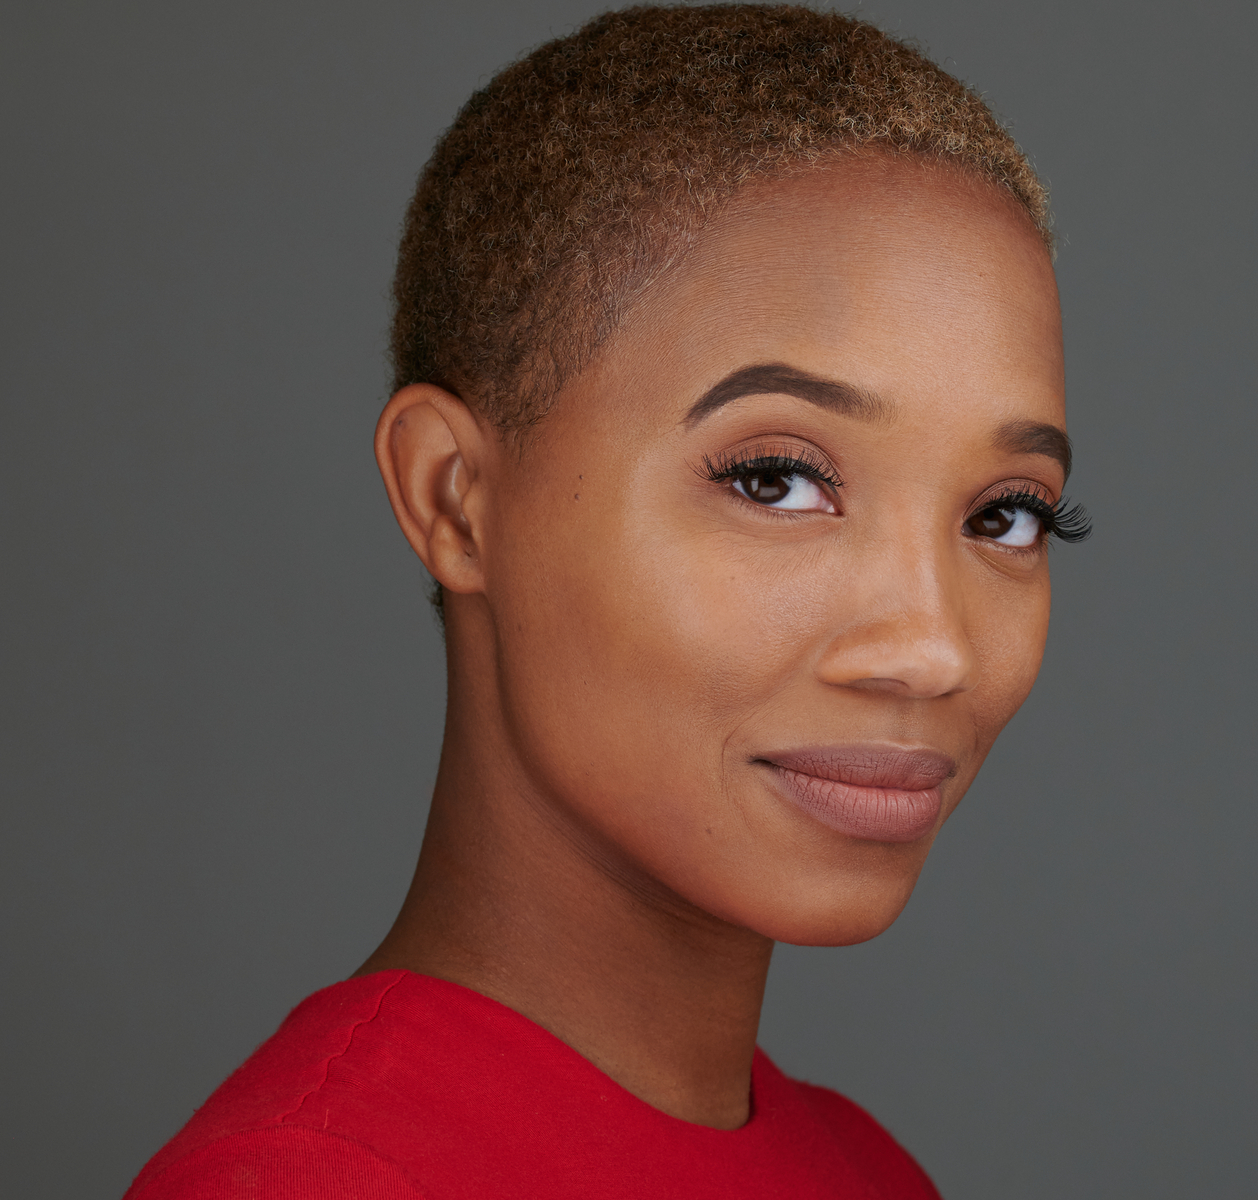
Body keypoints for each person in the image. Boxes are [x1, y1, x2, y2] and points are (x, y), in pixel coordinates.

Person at [125, 4, 1089, 1196]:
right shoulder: (314, 1181)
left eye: (1005, 515)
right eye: (776, 480)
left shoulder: (868, 1172)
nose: (935, 647)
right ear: (455, 497)